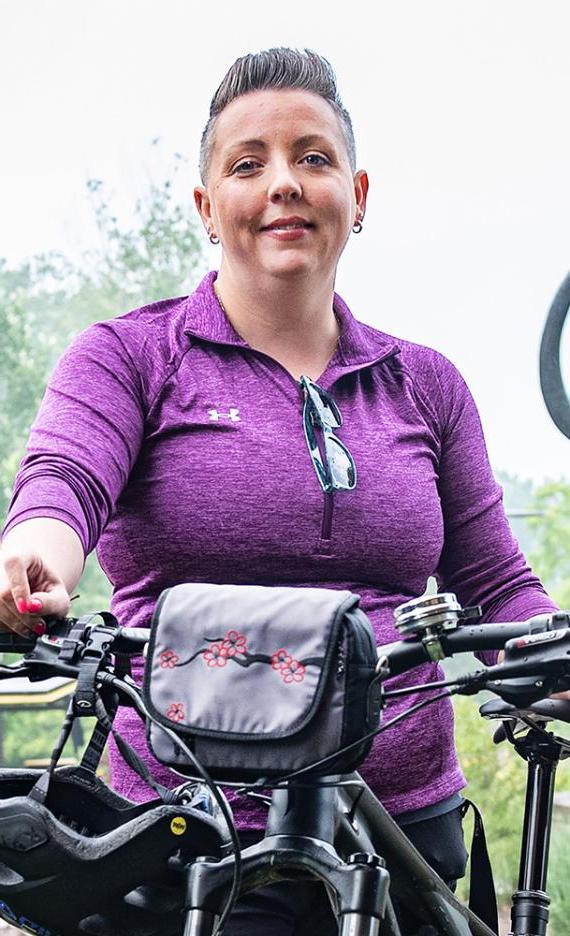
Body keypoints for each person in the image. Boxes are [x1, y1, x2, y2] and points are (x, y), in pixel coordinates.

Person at [0, 48, 557, 934]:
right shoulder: (131, 357)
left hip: (404, 842)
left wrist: (551, 660)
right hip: (187, 843)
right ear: (207, 208)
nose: (284, 184)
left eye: (314, 158)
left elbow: (494, 583)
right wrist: (32, 560)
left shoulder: (426, 383)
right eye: (248, 164)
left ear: (358, 195)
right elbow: (63, 481)